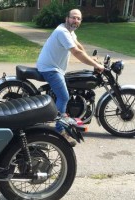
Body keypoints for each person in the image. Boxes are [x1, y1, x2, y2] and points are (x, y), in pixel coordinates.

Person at [36, 9, 104, 146]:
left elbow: (78, 46)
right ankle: (59, 131)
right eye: (73, 18)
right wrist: (95, 64)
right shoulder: (62, 32)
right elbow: (76, 52)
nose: (76, 21)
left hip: (56, 68)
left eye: (78, 18)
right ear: (66, 18)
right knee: (64, 97)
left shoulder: (70, 32)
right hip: (50, 69)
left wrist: (91, 58)